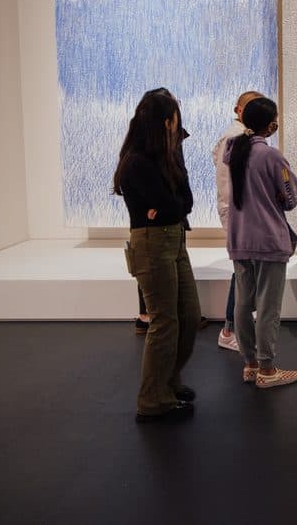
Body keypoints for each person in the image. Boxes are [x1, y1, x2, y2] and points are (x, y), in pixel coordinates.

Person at [114, 91, 201, 423]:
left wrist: (166, 207)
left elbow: (183, 202)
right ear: (166, 121)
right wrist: (166, 207)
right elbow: (168, 205)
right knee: (164, 320)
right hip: (152, 243)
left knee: (189, 316)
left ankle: (168, 382)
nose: (178, 126)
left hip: (173, 236)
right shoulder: (137, 162)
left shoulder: (168, 154)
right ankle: (153, 399)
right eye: (175, 118)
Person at [224, 97, 297, 389]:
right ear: (270, 124)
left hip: (240, 237)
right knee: (268, 307)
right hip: (268, 239)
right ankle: (267, 370)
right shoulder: (272, 157)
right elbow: (291, 197)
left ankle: (250, 364)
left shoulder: (233, 151)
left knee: (243, 303)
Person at [213, 90, 264, 352]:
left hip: (239, 212)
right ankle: (230, 328)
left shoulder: (238, 136)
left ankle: (234, 326)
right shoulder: (235, 137)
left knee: (244, 270)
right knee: (243, 271)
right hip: (239, 213)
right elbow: (230, 183)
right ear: (239, 110)